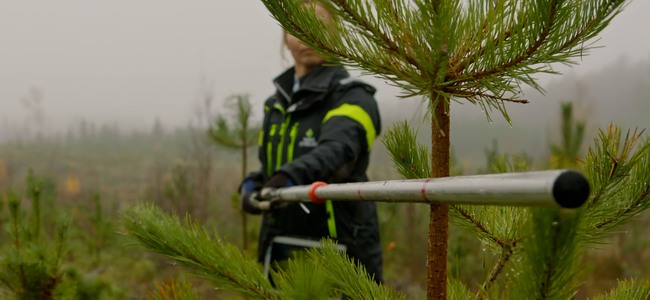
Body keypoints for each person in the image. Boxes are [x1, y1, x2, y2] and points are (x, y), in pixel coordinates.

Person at [238, 0, 382, 283]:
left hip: (342, 251)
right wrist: (256, 182)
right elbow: (274, 168)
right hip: (278, 250)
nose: (308, 36)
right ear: (285, 36)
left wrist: (286, 177)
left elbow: (336, 153)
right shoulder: (274, 106)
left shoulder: (355, 98)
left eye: (319, 26)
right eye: (297, 28)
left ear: (337, 32)